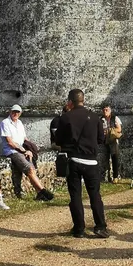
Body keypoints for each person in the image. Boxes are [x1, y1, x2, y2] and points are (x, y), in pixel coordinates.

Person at [55, 89, 108, 238]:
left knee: (75, 196)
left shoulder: (65, 117)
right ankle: (100, 227)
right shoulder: (95, 117)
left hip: (74, 160)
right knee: (95, 195)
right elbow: (101, 139)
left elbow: (58, 140)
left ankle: (79, 229)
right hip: (91, 161)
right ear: (83, 100)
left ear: (70, 102)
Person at [0, 105, 54, 202]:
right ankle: (43, 191)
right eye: (14, 111)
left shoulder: (19, 123)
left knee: (32, 169)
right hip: (12, 151)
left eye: (17, 112)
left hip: (22, 150)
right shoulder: (5, 122)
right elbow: (10, 142)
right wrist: (24, 151)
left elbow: (24, 138)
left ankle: (39, 193)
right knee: (29, 169)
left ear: (20, 113)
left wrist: (30, 148)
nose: (15, 114)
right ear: (10, 112)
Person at [100, 104, 123, 183]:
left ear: (110, 110)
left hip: (113, 140)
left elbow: (119, 129)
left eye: (107, 110)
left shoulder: (115, 118)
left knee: (114, 157)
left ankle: (115, 176)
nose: (105, 111)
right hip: (104, 140)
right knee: (105, 158)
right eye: (104, 110)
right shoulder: (101, 119)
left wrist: (110, 131)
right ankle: (106, 177)